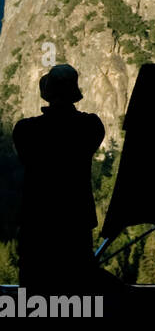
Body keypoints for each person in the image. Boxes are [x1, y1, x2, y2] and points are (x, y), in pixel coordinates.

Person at [13, 64, 105, 291]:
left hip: (37, 225)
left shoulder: (26, 130)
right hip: (75, 224)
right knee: (76, 296)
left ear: (48, 93)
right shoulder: (90, 126)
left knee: (36, 298)